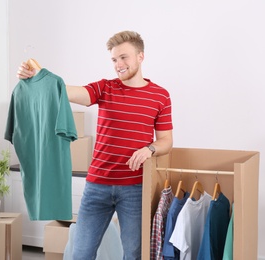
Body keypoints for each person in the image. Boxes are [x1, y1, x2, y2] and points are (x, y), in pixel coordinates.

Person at [17, 30, 173, 260]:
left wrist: (148, 149)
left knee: (133, 254)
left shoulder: (160, 96)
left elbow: (166, 141)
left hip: (135, 188)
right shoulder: (105, 88)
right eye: (114, 59)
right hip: (97, 186)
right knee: (80, 253)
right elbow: (66, 91)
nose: (118, 64)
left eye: (124, 57)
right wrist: (38, 76)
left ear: (141, 56)